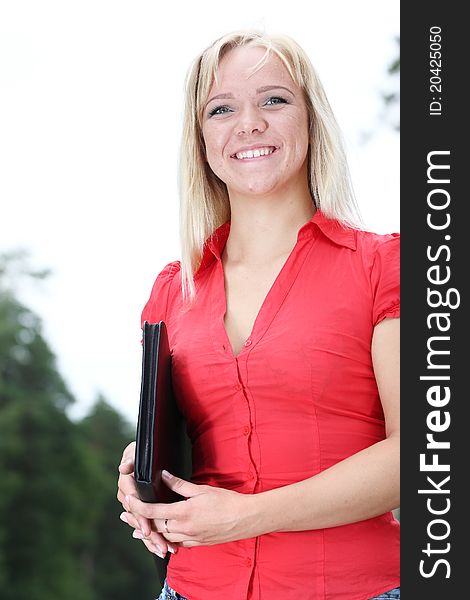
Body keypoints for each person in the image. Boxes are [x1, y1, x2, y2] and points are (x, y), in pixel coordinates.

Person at [117, 30, 400, 600]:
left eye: (273, 99)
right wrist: (140, 475)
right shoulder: (174, 291)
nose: (249, 123)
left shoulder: (384, 266)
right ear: (202, 140)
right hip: (194, 588)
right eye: (222, 109)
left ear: (311, 119)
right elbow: (180, 435)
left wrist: (250, 515)